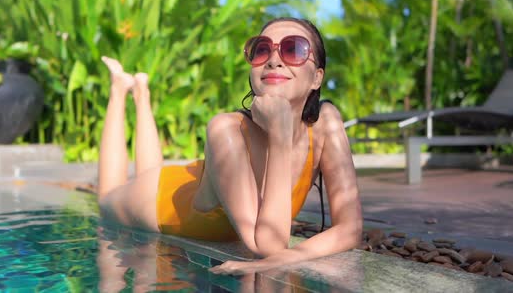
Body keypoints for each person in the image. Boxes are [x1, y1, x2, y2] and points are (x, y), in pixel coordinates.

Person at [97, 17, 363, 275]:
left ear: (317, 78)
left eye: (293, 49)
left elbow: (350, 228)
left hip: (195, 180)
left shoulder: (325, 122)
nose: (273, 60)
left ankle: (142, 94)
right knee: (105, 199)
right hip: (155, 201)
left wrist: (290, 258)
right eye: (262, 50)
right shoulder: (225, 130)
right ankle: (119, 90)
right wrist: (280, 136)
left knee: (149, 171)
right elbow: (268, 245)